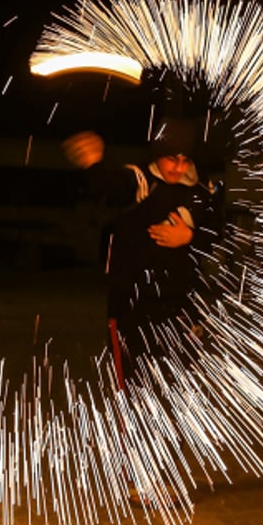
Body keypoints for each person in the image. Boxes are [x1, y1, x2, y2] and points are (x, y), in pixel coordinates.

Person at [63, 118, 217, 390]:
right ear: (158, 155)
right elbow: (111, 185)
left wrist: (189, 237)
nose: (178, 168)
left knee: (180, 383)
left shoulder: (202, 192)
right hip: (133, 307)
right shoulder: (141, 180)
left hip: (181, 306)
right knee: (132, 384)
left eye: (185, 160)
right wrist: (93, 164)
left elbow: (219, 233)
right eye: (171, 159)